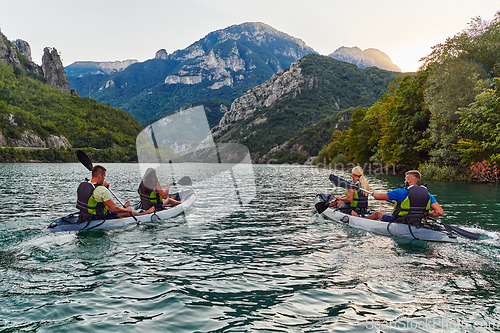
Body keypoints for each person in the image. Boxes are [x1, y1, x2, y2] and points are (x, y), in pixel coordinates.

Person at [77, 165, 154, 220]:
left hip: (84, 214)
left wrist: (101, 185)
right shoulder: (102, 190)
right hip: (97, 216)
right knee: (125, 213)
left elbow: (95, 193)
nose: (104, 178)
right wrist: (127, 210)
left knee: (107, 204)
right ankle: (144, 214)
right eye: (104, 176)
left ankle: (123, 207)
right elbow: (114, 209)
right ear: (100, 176)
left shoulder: (84, 184)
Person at [365, 170, 443, 222]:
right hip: (416, 222)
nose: (405, 181)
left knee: (378, 214)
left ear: (409, 181)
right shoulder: (428, 195)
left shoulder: (400, 192)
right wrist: (425, 214)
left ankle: (360, 219)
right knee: (383, 212)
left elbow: (377, 197)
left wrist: (373, 193)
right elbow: (439, 212)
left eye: (405, 179)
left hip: (400, 221)